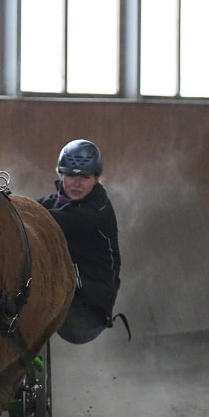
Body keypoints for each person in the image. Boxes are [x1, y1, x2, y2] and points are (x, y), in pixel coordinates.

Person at [40, 139, 122, 344]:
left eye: (84, 177)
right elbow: (32, 209)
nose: (76, 183)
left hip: (88, 314)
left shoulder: (95, 211)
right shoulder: (57, 201)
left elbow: (45, 221)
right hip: (67, 298)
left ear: (97, 179)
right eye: (70, 175)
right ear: (61, 175)